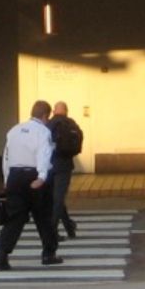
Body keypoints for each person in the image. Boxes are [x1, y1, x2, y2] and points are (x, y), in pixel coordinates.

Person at [0, 100, 62, 271]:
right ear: (45, 116)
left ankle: (2, 252)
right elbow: (44, 154)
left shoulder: (14, 130)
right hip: (33, 176)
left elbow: (6, 157)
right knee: (43, 217)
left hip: (14, 176)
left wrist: (6, 179)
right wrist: (41, 176)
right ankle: (49, 254)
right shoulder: (43, 131)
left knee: (15, 218)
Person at [46, 100, 84, 240]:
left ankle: (56, 230)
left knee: (55, 199)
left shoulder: (48, 124)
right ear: (66, 111)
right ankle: (64, 227)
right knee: (58, 198)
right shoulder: (71, 123)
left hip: (49, 165)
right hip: (65, 165)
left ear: (54, 111)